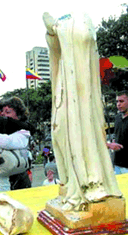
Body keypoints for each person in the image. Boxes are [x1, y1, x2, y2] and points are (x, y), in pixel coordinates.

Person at [43, 12, 122, 211]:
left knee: (81, 133)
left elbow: (84, 36)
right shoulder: (61, 56)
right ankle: (71, 182)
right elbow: (55, 49)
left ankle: (88, 182)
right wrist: (53, 34)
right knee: (59, 131)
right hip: (63, 90)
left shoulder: (82, 23)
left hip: (79, 95)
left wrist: (61, 30)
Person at [107, 90, 128, 174]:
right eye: (117, 101)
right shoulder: (118, 118)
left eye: (121, 101)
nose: (118, 104)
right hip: (117, 164)